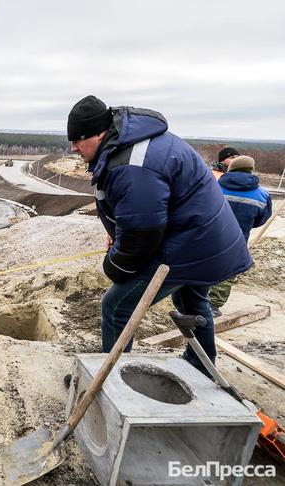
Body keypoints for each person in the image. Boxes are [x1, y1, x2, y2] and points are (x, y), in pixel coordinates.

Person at [67, 95, 251, 374]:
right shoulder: (133, 145)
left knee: (116, 306)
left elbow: (143, 232)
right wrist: (118, 231)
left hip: (192, 243)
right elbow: (145, 210)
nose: (73, 148)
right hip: (205, 236)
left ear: (98, 134)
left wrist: (114, 265)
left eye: (77, 140)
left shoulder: (132, 163)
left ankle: (113, 379)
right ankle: (200, 366)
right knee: (192, 299)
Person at [209, 155, 272, 315]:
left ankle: (195, 302)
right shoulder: (262, 195)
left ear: (231, 169)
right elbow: (260, 220)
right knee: (227, 272)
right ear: (251, 170)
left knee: (203, 267)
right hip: (237, 240)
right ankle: (214, 306)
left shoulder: (213, 187)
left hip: (208, 237)